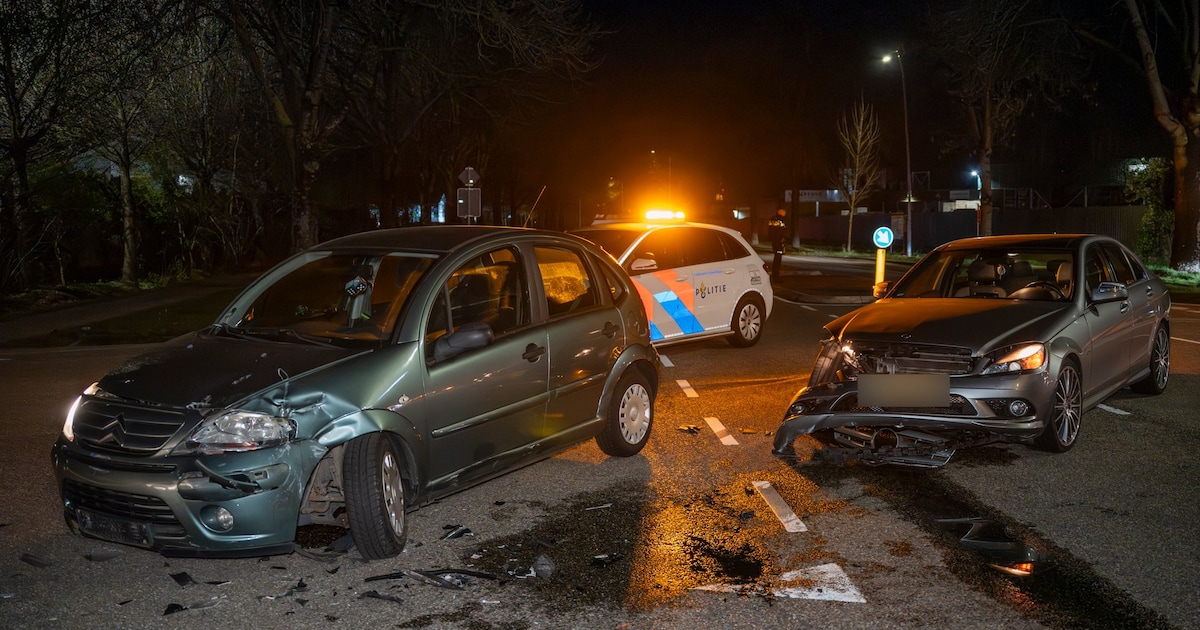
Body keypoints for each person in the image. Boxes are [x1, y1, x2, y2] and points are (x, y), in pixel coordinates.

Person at [768, 207, 787, 278]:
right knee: (778, 259)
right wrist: (782, 239)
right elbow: (780, 231)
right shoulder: (779, 220)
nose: (785, 213)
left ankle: (775, 275)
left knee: (777, 257)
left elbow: (771, 231)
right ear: (780, 212)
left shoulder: (773, 219)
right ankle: (776, 276)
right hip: (778, 241)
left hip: (775, 241)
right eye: (784, 212)